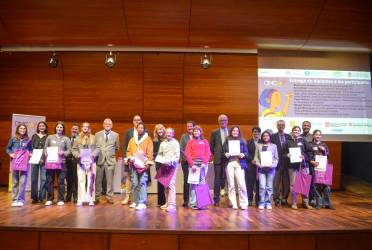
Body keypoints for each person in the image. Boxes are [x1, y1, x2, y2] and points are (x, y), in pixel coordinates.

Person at [126, 122, 153, 210]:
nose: (140, 129)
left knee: (142, 182)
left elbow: (150, 152)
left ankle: (142, 202)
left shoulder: (148, 139)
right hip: (134, 164)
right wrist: (130, 158)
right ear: (136, 129)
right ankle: (135, 201)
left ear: (144, 129)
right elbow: (128, 151)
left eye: (142, 128)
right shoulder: (132, 139)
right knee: (134, 183)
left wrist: (147, 162)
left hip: (143, 165)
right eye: (138, 128)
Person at [121, 115, 149, 205]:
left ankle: (140, 199)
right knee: (130, 178)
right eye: (135, 120)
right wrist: (126, 159)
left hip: (142, 161)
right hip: (131, 161)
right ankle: (127, 197)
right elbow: (125, 147)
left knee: (141, 180)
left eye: (139, 120)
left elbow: (148, 146)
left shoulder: (146, 132)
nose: (137, 121)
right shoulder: (128, 132)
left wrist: (146, 160)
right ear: (133, 121)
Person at [284, 126, 313, 209]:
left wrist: (304, 157)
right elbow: (282, 154)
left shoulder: (304, 141)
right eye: (295, 130)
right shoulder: (287, 142)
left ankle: (305, 203)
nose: (296, 131)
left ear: (300, 132)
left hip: (304, 166)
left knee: (305, 184)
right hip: (292, 167)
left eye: (298, 130)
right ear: (292, 132)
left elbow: (310, 152)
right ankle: (294, 203)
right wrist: (287, 155)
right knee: (293, 185)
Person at [71, 122, 100, 206]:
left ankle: (90, 199)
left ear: (89, 128)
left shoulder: (94, 138)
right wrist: (78, 155)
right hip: (80, 163)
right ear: (81, 128)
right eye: (84, 126)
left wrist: (93, 154)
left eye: (87, 127)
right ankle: (81, 199)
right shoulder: (77, 138)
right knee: (81, 180)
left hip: (91, 162)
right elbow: (74, 149)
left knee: (91, 181)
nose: (85, 128)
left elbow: (98, 148)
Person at [44, 121, 71, 206]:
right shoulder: (49, 137)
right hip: (50, 163)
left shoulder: (66, 139)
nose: (59, 128)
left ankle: (60, 199)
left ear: (63, 129)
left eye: (61, 127)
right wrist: (46, 153)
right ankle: (50, 199)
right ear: (55, 128)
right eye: (58, 127)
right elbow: (45, 149)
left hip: (62, 163)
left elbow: (69, 151)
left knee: (61, 181)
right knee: (49, 181)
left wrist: (62, 153)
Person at [223, 126, 249, 210]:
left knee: (241, 184)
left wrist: (243, 154)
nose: (235, 132)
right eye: (233, 130)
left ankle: (243, 203)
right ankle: (233, 203)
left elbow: (247, 153)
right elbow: (223, 151)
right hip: (230, 163)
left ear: (239, 132)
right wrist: (225, 154)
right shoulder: (227, 140)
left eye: (236, 131)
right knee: (231, 185)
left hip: (239, 163)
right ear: (231, 132)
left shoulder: (242, 140)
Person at [6, 123, 32, 207]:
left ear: (26, 130)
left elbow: (31, 150)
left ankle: (21, 200)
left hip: (25, 163)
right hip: (15, 162)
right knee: (15, 181)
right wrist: (10, 154)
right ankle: (15, 200)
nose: (22, 130)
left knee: (23, 181)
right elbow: (8, 148)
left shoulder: (28, 140)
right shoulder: (13, 139)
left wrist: (30, 154)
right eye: (21, 128)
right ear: (18, 129)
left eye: (24, 129)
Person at [95, 118, 120, 204]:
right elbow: (95, 147)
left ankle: (109, 197)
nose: (107, 125)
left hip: (110, 161)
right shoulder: (97, 134)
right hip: (100, 160)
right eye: (106, 123)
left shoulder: (116, 135)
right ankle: (97, 197)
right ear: (103, 124)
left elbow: (117, 147)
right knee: (98, 180)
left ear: (112, 125)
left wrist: (110, 154)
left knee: (110, 180)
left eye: (109, 124)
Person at [186, 125, 211, 210]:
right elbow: (187, 153)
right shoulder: (190, 142)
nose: (196, 132)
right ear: (193, 132)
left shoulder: (205, 141)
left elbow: (208, 153)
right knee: (193, 184)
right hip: (193, 164)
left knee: (202, 183)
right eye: (195, 131)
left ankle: (201, 203)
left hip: (203, 165)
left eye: (198, 131)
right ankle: (193, 203)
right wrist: (192, 164)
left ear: (200, 132)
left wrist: (204, 163)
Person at [156, 127, 180, 212]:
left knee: (171, 184)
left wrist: (170, 162)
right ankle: (167, 202)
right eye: (167, 133)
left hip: (172, 166)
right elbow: (159, 154)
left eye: (170, 133)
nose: (169, 134)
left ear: (173, 134)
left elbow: (177, 155)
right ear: (165, 134)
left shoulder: (176, 143)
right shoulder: (162, 143)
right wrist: (163, 161)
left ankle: (172, 205)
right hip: (164, 165)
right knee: (166, 184)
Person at [253, 131, 279, 209]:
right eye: (264, 136)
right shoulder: (258, 145)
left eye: (267, 136)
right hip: (261, 169)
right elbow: (256, 158)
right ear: (262, 137)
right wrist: (259, 164)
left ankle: (268, 203)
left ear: (269, 137)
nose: (265, 137)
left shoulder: (274, 146)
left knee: (269, 187)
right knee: (262, 186)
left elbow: (276, 158)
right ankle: (261, 202)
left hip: (271, 169)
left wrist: (273, 165)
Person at [309, 130, 334, 210]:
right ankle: (318, 204)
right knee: (316, 185)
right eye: (316, 134)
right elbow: (308, 155)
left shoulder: (324, 144)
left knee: (326, 185)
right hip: (314, 167)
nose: (318, 136)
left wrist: (324, 150)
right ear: (313, 135)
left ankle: (327, 203)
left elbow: (328, 155)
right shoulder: (310, 144)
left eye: (319, 135)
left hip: (323, 168)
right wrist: (311, 161)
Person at [271, 120, 292, 206]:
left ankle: (284, 198)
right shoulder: (272, 136)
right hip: (277, 163)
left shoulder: (289, 137)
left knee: (286, 182)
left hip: (287, 163)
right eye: (279, 125)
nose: (281, 127)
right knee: (276, 182)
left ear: (285, 126)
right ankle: (276, 198)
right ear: (277, 126)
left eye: (282, 125)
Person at [209, 114, 229, 206]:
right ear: (218, 122)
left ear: (227, 121)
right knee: (217, 179)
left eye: (224, 120)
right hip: (218, 159)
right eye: (221, 120)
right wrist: (217, 154)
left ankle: (231, 200)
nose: (223, 122)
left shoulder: (231, 131)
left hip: (229, 159)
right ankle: (216, 200)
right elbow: (211, 147)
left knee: (229, 179)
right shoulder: (214, 132)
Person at [30, 121, 48, 204]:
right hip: (34, 158)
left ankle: (42, 197)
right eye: (40, 126)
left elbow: (48, 148)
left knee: (44, 179)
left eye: (43, 126)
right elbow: (31, 147)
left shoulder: (48, 136)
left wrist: (42, 158)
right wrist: (36, 157)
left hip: (44, 159)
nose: (41, 127)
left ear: (45, 127)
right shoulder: (34, 136)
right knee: (34, 179)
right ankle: (34, 197)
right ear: (38, 127)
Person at [179, 121, 196, 207]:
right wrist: (189, 159)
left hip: (196, 163)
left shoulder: (197, 136)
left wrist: (194, 160)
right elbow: (181, 149)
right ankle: (186, 201)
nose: (189, 128)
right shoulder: (183, 137)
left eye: (191, 126)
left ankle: (195, 201)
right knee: (186, 181)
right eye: (188, 126)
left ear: (194, 127)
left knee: (195, 181)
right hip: (185, 162)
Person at [246, 126, 261, 206]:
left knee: (259, 183)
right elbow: (246, 153)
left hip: (260, 166)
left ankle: (258, 200)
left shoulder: (263, 142)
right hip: (250, 165)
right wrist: (251, 160)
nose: (256, 133)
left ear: (260, 133)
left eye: (257, 132)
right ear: (252, 133)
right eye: (254, 131)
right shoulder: (248, 142)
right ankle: (249, 199)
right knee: (250, 183)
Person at [153, 124, 167, 207]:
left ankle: (168, 201)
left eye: (161, 129)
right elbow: (154, 152)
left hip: (167, 163)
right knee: (160, 182)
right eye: (158, 130)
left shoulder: (167, 139)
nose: (160, 131)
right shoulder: (155, 140)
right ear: (156, 131)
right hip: (158, 163)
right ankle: (161, 202)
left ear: (164, 130)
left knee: (167, 182)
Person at [66, 123, 79, 203]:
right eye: (73, 129)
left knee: (76, 179)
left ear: (78, 130)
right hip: (67, 162)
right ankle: (68, 196)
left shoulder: (80, 140)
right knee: (68, 179)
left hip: (76, 162)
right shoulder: (67, 138)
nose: (74, 130)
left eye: (76, 129)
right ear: (71, 130)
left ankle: (75, 196)